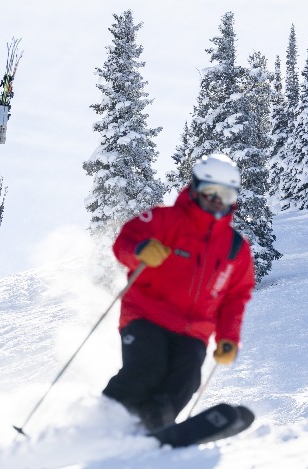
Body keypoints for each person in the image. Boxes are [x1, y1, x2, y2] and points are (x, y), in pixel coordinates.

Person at [102, 153, 256, 431]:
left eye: (226, 195)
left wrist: (228, 338)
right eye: (211, 193)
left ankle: (152, 428)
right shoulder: (165, 219)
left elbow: (236, 297)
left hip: (193, 330)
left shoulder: (236, 248)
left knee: (186, 379)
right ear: (196, 189)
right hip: (146, 315)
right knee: (148, 368)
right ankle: (100, 423)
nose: (218, 202)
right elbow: (125, 241)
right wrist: (139, 251)